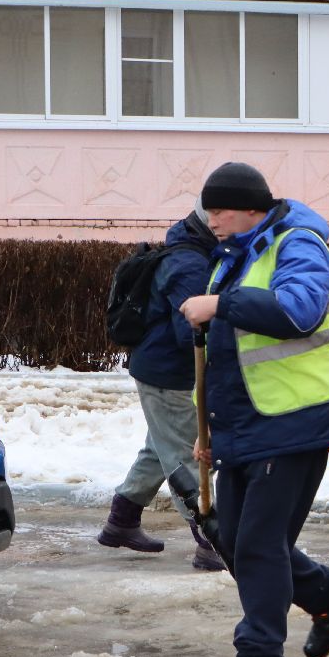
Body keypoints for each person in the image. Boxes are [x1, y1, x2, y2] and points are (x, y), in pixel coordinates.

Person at [179, 162, 329, 657]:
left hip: (295, 419)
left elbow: (299, 311)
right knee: (234, 539)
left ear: (251, 208)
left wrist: (221, 303)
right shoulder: (238, 255)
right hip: (247, 420)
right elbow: (220, 355)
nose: (210, 219)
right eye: (208, 210)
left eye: (220, 209)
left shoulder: (297, 244)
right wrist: (205, 423)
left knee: (259, 543)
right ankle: (327, 593)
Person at [98, 202, 225, 571]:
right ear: (207, 222)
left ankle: (121, 521)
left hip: (162, 368)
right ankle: (210, 540)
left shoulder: (193, 251)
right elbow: (191, 333)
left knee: (161, 446)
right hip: (167, 372)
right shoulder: (189, 264)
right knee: (187, 453)